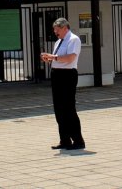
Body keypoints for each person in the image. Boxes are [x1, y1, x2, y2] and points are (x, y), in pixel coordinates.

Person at [40, 17, 85, 150]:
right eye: (54, 29)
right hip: (57, 75)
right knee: (59, 109)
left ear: (65, 28)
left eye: (57, 29)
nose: (55, 32)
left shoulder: (74, 39)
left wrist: (53, 57)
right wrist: (48, 59)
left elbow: (70, 58)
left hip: (67, 75)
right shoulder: (58, 42)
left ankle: (78, 141)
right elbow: (58, 59)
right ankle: (65, 140)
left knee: (69, 108)